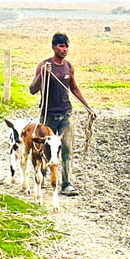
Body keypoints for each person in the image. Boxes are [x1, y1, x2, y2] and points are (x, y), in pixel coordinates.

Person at [29, 32, 95, 196]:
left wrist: (88, 108)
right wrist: (43, 74)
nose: (65, 49)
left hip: (65, 114)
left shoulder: (68, 67)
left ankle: (66, 184)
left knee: (67, 149)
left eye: (66, 46)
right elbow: (32, 90)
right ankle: (41, 179)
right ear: (53, 47)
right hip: (48, 116)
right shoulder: (44, 65)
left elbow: (74, 88)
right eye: (61, 46)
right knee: (44, 149)